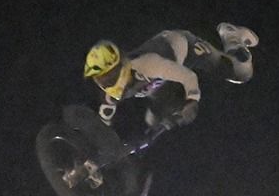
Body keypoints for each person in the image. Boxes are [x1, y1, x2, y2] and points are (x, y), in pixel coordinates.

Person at [82, 23, 258, 161]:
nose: (107, 83)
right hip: (161, 83)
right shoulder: (110, 95)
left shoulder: (148, 64)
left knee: (241, 72)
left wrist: (192, 101)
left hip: (186, 50)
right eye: (101, 80)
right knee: (154, 123)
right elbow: (102, 128)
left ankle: (232, 35)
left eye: (109, 76)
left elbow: (188, 77)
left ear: (121, 65)